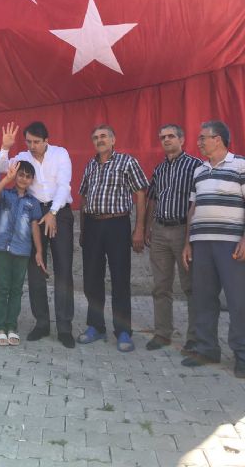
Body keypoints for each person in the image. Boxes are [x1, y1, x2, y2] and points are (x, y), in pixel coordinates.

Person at [0, 121, 75, 348]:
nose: (32, 146)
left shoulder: (60, 154)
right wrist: (5, 147)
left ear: (46, 140)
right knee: (35, 269)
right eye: (29, 141)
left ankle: (64, 327)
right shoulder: (22, 156)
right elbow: (1, 167)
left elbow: (64, 186)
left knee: (63, 268)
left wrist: (53, 212)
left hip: (59, 212)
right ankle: (41, 323)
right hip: (32, 213)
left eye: (36, 142)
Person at [181, 121, 245, 379]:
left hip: (231, 244)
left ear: (218, 139)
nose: (198, 142)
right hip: (201, 244)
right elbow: (193, 209)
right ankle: (207, 349)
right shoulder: (199, 170)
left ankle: (242, 355)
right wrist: (188, 242)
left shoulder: (240, 165)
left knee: (238, 301)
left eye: (202, 138)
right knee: (204, 299)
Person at [78, 124, 148, 352]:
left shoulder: (127, 162)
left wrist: (139, 228)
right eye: (95, 137)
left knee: (120, 278)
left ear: (113, 140)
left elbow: (140, 193)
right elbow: (84, 196)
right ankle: (96, 326)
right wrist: (84, 229)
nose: (99, 140)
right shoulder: (90, 165)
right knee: (92, 278)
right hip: (93, 225)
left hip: (117, 224)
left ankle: (123, 331)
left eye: (104, 136)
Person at [144, 124, 201, 352]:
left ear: (182, 139)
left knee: (191, 286)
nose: (166, 140)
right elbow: (152, 198)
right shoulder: (159, 169)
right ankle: (162, 333)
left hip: (183, 231)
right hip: (159, 230)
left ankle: (195, 338)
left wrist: (190, 236)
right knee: (161, 286)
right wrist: (147, 227)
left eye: (171, 136)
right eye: (162, 137)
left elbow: (198, 202)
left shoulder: (195, 166)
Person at [0, 160, 44, 346]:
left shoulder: (33, 202)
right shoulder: (5, 194)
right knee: (2, 287)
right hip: (2, 247)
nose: (23, 179)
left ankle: (11, 326)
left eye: (28, 176)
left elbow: (35, 227)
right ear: (15, 176)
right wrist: (7, 178)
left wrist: (39, 251)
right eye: (21, 175)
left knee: (16, 289)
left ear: (32, 180)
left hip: (22, 250)